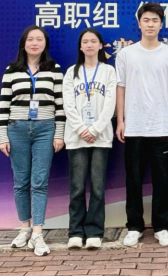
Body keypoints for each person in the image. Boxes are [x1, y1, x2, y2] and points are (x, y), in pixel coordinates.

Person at [115, 3, 168, 248]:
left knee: (162, 179)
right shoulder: (126, 54)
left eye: (155, 20)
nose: (150, 24)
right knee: (133, 179)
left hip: (161, 126)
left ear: (161, 24)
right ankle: (134, 226)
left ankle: (161, 226)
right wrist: (120, 120)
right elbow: (121, 88)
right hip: (133, 126)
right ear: (139, 23)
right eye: (146, 20)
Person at [0, 25, 65, 257]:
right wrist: (2, 135)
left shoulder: (54, 69)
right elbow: (4, 105)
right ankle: (24, 228)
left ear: (45, 44)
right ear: (23, 44)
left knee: (39, 182)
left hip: (46, 129)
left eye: (39, 39)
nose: (35, 43)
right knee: (21, 182)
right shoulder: (12, 70)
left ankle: (38, 233)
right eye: (30, 39)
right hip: (17, 129)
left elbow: (60, 104)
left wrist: (59, 133)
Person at [63, 29, 117, 250]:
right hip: (76, 137)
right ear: (80, 46)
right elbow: (68, 104)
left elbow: (110, 104)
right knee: (77, 187)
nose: (89, 45)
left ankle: (94, 232)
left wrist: (94, 129)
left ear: (101, 45)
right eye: (85, 41)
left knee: (97, 186)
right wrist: (81, 129)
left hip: (100, 137)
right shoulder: (71, 72)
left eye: (93, 41)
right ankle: (75, 232)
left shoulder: (108, 71)